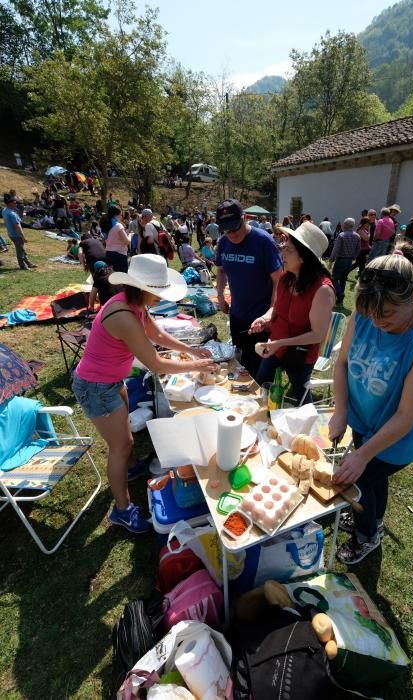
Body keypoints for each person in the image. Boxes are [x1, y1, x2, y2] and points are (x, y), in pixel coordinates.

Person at [329, 243, 413, 564]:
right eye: (370, 314)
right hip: (363, 421)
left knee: (363, 477)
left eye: (385, 315)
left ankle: (367, 535)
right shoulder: (367, 311)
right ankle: (372, 518)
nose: (377, 322)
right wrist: (341, 411)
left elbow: (406, 415)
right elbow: (341, 364)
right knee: (369, 482)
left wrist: (363, 454)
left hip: (398, 437)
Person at [72, 254, 215, 534]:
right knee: (120, 446)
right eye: (158, 293)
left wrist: (192, 350)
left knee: (125, 437)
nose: (161, 299)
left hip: (110, 381)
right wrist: (197, 364)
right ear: (143, 289)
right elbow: (156, 363)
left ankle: (132, 467)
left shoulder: (135, 305)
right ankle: (122, 511)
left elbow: (158, 335)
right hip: (96, 386)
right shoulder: (124, 316)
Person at [253, 223, 335, 401]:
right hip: (275, 345)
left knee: (300, 395)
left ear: (304, 257)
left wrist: (281, 343)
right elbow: (277, 307)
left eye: (288, 250)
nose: (282, 253)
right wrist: (264, 318)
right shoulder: (286, 277)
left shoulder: (322, 290)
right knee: (261, 384)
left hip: (300, 353)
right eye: (283, 247)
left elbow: (317, 335)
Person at [215, 199, 282, 377]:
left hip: (261, 319)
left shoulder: (263, 241)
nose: (231, 234)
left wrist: (271, 313)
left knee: (259, 369)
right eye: (226, 229)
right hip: (237, 315)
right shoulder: (223, 243)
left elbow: (279, 280)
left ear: (244, 218)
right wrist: (220, 295)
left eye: (235, 227)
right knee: (239, 362)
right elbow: (220, 270)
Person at [329, 217, 360, 304]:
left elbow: (336, 249)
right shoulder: (357, 236)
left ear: (346, 225)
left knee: (334, 279)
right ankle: (340, 299)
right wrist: (354, 257)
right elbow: (358, 249)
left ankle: (339, 293)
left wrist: (331, 260)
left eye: (344, 224)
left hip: (340, 260)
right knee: (343, 280)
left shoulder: (341, 235)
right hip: (349, 261)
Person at [1, 194, 36, 270]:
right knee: (20, 251)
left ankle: (28, 263)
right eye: (14, 203)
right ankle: (23, 266)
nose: (16, 204)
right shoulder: (12, 214)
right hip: (16, 235)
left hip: (10, 233)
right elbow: (17, 226)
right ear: (10, 204)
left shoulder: (4, 210)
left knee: (21, 249)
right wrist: (23, 237)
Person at [105, 206, 130, 272]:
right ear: (117, 215)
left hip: (108, 253)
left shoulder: (105, 224)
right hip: (119, 254)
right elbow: (127, 242)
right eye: (121, 215)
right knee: (122, 277)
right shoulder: (118, 225)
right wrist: (130, 236)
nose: (121, 217)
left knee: (112, 276)